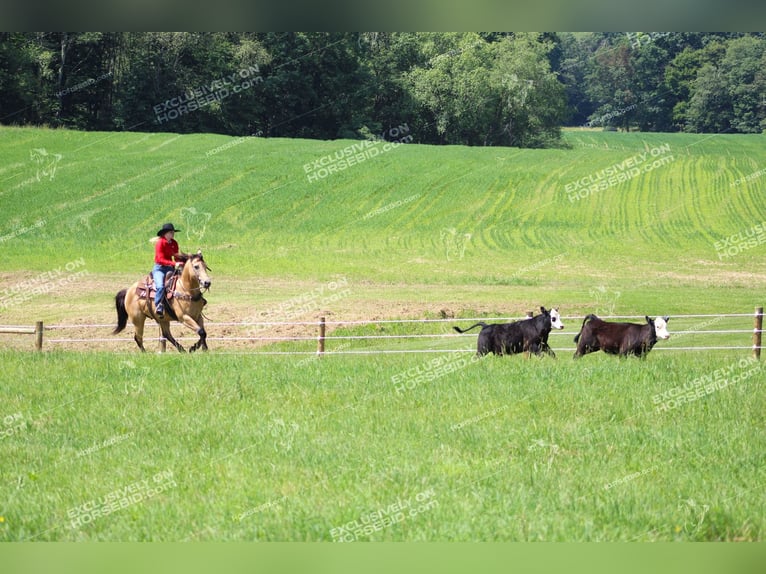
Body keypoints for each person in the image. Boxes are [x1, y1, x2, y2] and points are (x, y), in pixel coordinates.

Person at [153, 223, 184, 317]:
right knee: (160, 286)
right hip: (160, 269)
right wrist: (174, 263)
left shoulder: (174, 243)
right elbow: (160, 259)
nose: (173, 234)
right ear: (165, 233)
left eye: (173, 232)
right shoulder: (160, 243)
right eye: (171, 232)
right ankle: (158, 305)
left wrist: (181, 263)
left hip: (170, 268)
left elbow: (176, 256)